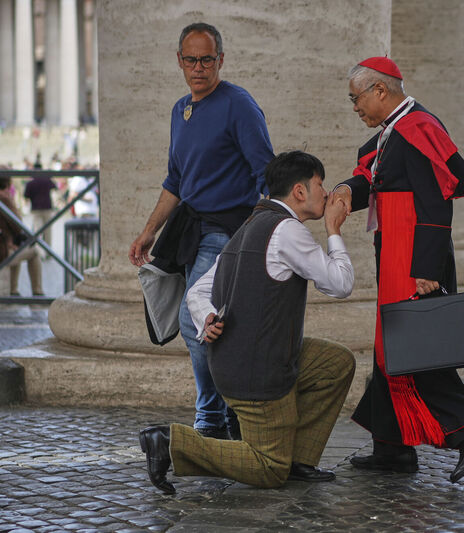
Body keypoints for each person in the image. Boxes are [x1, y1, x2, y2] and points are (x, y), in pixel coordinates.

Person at [139, 151, 355, 494]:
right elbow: (340, 284)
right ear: (299, 192)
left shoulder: (250, 226)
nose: (326, 193)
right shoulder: (287, 231)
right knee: (269, 469)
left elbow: (197, 292)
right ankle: (170, 442)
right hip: (258, 371)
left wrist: (206, 316)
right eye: (320, 184)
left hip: (236, 362)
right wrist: (333, 229)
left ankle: (298, 458)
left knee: (336, 363)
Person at [330, 57, 464, 483]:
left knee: (411, 347)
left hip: (412, 254)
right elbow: (376, 179)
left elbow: (435, 202)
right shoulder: (394, 130)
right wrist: (345, 192)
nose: (354, 107)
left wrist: (427, 268)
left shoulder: (418, 127)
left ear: (379, 91)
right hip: (395, 247)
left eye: (356, 98)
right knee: (392, 346)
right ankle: (392, 450)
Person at [128, 23, 274, 440]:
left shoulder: (239, 105)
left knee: (195, 322)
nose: (198, 67)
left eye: (206, 59)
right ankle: (227, 415)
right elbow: (176, 180)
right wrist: (148, 232)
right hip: (189, 229)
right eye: (190, 59)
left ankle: (213, 415)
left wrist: (263, 232)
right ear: (179, 61)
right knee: (205, 322)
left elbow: (267, 171)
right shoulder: (180, 110)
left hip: (227, 229)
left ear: (220, 60)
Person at [0, 168, 43, 296]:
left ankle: (13, 291)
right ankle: (38, 293)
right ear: (7, 183)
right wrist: (11, 201)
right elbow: (18, 226)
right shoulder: (3, 198)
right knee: (34, 252)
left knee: (16, 247)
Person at [24, 160, 57, 250]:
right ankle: (48, 251)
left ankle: (38, 250)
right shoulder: (47, 180)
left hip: (36, 208)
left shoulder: (30, 183)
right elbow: (55, 187)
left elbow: (26, 196)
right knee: (48, 231)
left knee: (37, 231)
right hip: (47, 207)